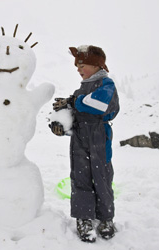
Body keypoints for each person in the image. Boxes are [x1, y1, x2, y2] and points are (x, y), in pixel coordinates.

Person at [50, 45, 120, 242]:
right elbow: (74, 114)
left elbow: (99, 104)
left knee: (102, 177)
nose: (78, 69)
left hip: (99, 137)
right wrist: (60, 124)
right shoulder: (81, 89)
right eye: (76, 66)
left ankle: (105, 218)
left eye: (81, 65)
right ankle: (84, 218)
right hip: (80, 139)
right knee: (80, 177)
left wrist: (74, 101)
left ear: (96, 65)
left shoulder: (106, 84)